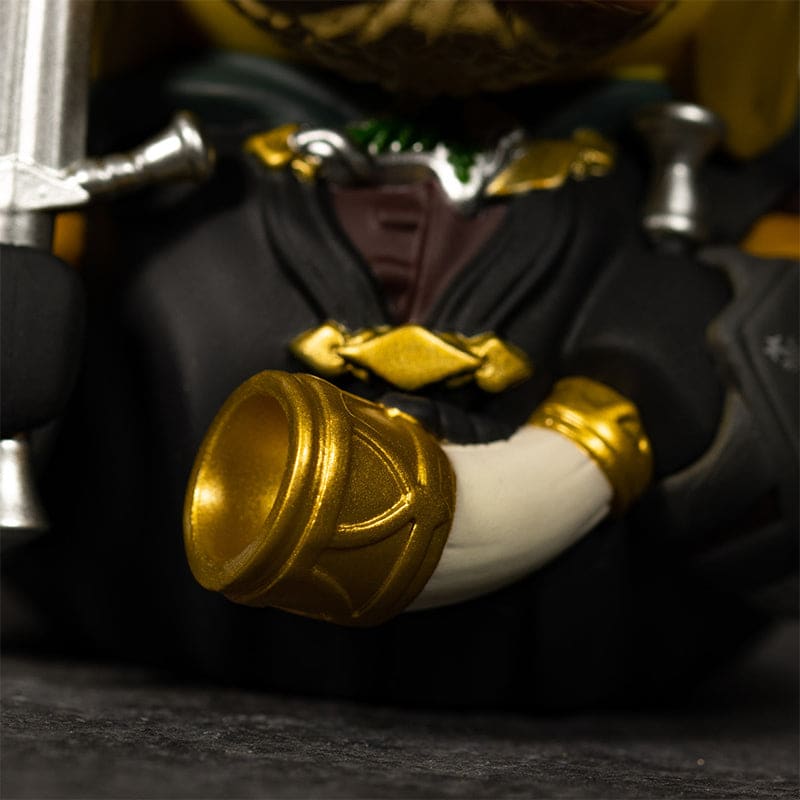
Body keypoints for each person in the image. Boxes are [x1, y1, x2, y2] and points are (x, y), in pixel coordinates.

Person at [3, 0, 797, 709]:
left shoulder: (702, 177)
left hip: (599, 642)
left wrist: (685, 383)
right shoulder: (123, 147)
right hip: (149, 609)